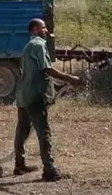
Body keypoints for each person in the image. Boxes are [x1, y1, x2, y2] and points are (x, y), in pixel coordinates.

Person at [13, 18, 84, 182]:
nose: (46, 31)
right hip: (34, 96)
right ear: (35, 29)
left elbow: (38, 73)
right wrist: (70, 78)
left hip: (23, 95)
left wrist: (60, 84)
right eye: (44, 27)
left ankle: (19, 165)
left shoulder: (28, 46)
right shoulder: (38, 44)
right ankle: (49, 170)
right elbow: (47, 69)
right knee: (43, 132)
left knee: (22, 131)